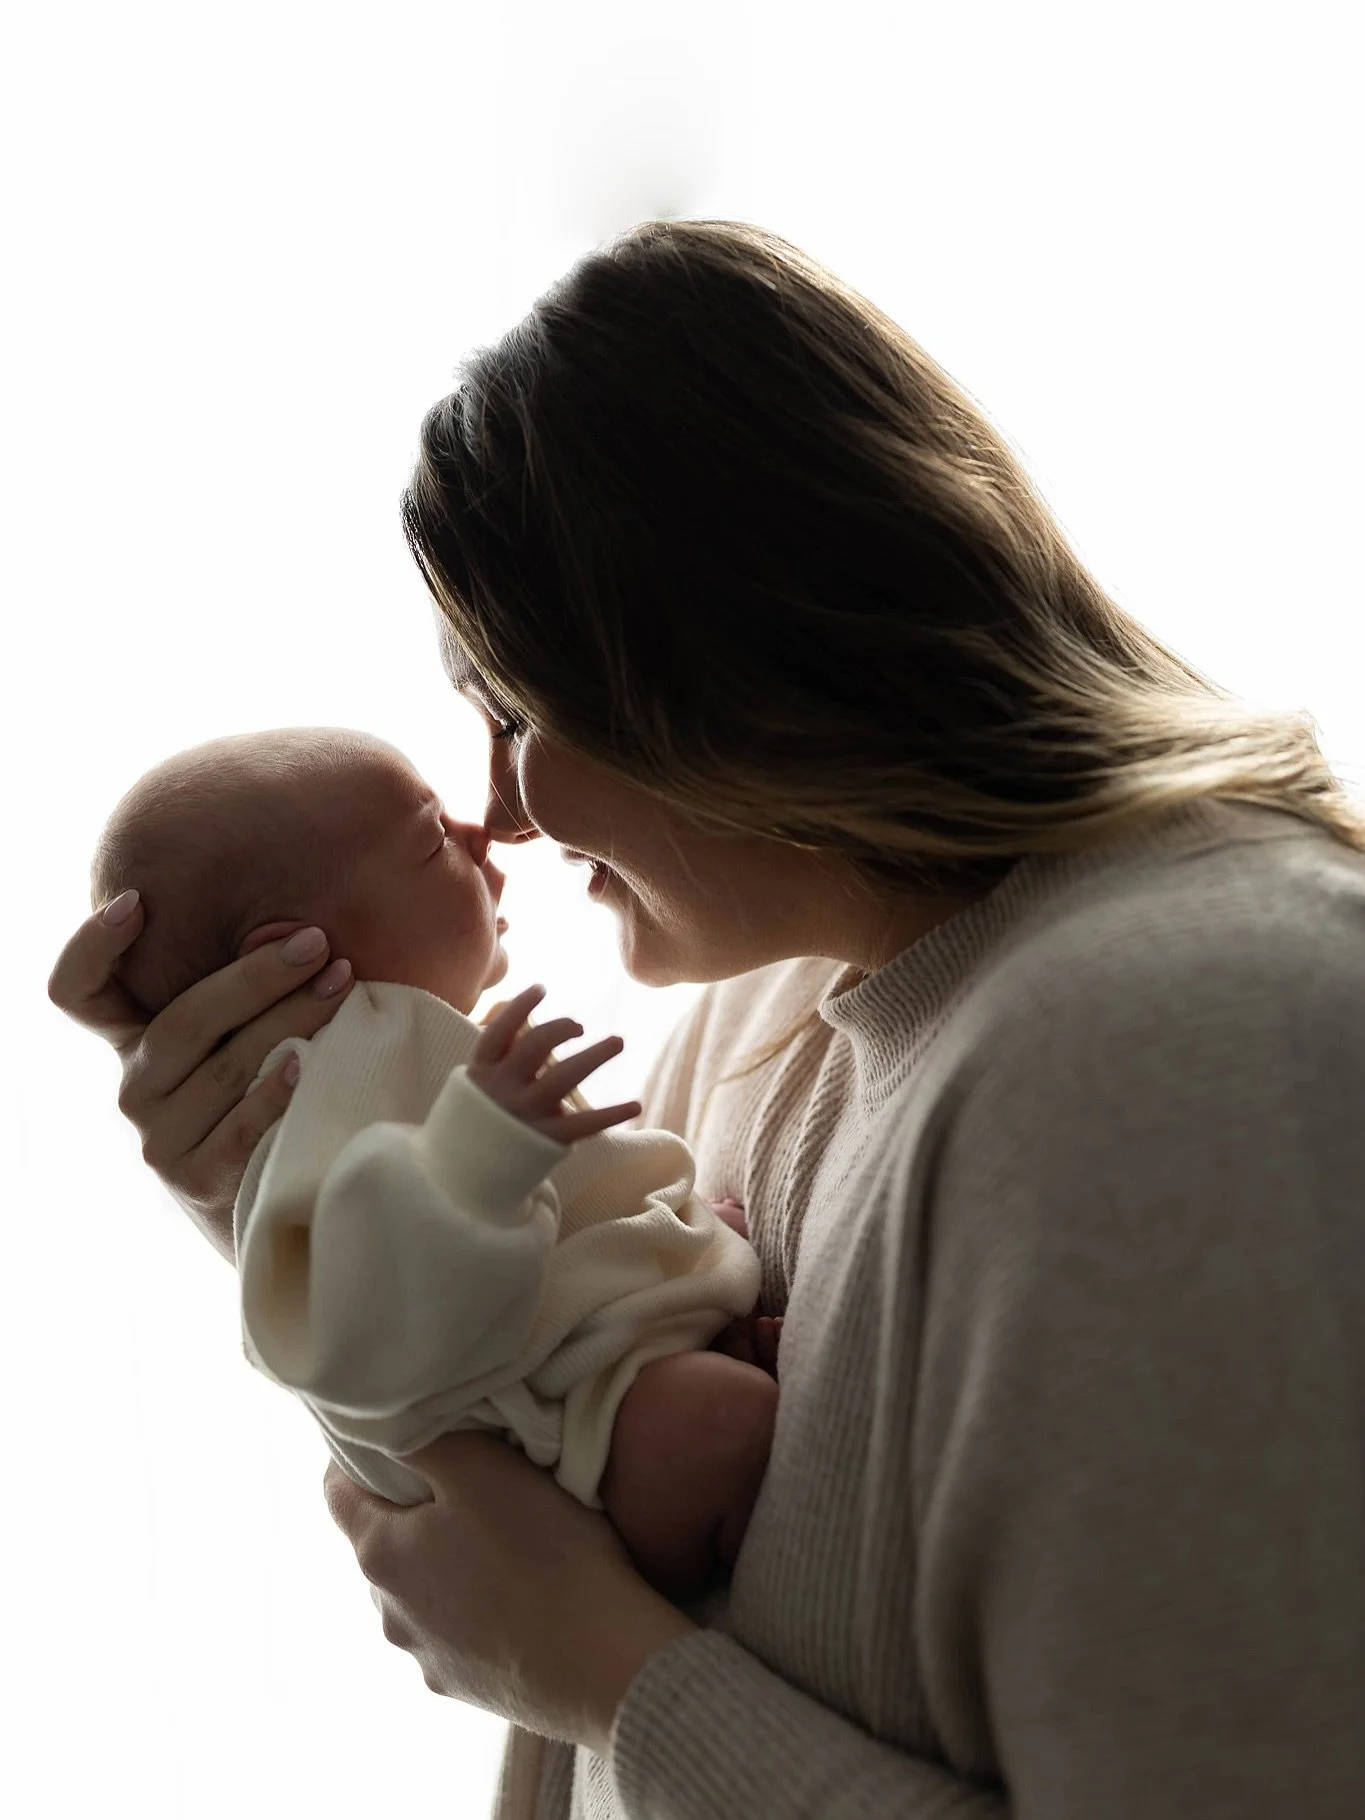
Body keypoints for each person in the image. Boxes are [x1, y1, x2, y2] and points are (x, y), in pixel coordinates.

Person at [50, 216, 1365, 1818]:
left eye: (517, 714)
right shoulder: (756, 1019)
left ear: (732, 665)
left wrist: (609, 1676)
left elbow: (558, 1625)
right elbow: (524, 1429)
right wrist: (278, 1174)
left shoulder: (1200, 1041)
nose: (506, 818)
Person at [88, 725, 782, 1603]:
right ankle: (666, 1578)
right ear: (292, 952)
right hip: (562, 1452)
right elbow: (319, 1324)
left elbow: (555, 1202)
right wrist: (473, 1160)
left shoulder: (403, 1044)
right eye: (431, 840)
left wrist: (661, 1252)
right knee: (719, 1432)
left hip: (590, 1390)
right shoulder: (333, 1071)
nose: (481, 832)